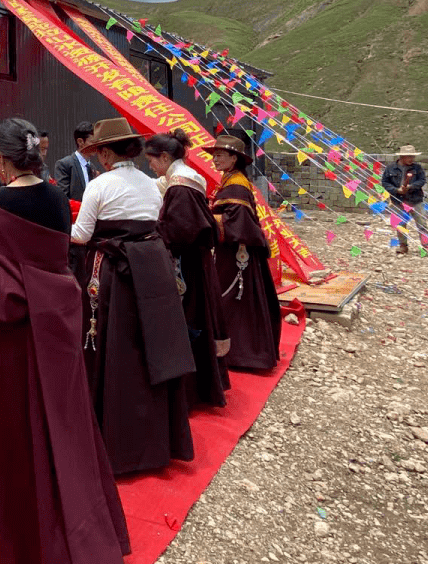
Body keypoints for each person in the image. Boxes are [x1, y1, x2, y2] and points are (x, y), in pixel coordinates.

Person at [0, 117, 130, 564]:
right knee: (63, 422)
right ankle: (74, 521)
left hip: (12, 335)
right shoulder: (55, 198)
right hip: (57, 325)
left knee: (10, 431)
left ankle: (13, 538)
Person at [71, 118, 195, 475]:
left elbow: (81, 235)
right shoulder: (152, 185)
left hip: (115, 272)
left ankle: (114, 438)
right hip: (153, 269)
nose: (98, 160)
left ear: (107, 153)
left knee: (116, 348)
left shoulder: (100, 185)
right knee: (151, 346)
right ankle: (156, 438)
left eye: (99, 153)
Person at [144, 129, 230, 408]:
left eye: (152, 161)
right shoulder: (186, 179)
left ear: (166, 156)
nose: (151, 167)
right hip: (197, 260)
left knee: (190, 319)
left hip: (186, 264)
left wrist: (154, 233)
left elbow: (181, 230)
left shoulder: (179, 186)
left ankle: (191, 389)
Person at [205, 135, 282, 370]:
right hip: (233, 252)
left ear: (234, 158)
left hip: (236, 254)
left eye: (220, 155)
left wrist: (205, 218)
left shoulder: (236, 185)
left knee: (232, 300)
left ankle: (240, 354)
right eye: (214, 154)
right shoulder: (231, 180)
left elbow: (237, 223)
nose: (215, 159)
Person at [381, 145, 428, 255]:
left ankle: (427, 247)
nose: (411, 159)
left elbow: (422, 181)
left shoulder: (417, 167)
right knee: (401, 224)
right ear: (402, 157)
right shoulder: (390, 168)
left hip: (416, 200)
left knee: (422, 224)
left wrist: (411, 187)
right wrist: (396, 190)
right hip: (398, 201)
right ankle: (403, 246)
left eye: (412, 156)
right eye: (409, 156)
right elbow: (385, 182)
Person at [54, 120, 98, 201]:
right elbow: (63, 197)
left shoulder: (92, 167)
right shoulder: (65, 164)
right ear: (80, 141)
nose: (96, 145)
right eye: (93, 142)